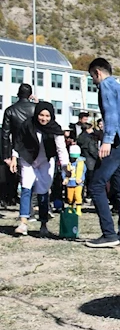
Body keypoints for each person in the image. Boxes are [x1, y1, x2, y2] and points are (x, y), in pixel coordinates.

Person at [86, 57, 120, 248]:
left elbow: (111, 114)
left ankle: (108, 234)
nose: (93, 81)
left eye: (92, 77)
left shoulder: (106, 86)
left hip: (116, 143)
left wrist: (106, 140)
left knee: (96, 185)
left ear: (98, 73)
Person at [8, 101, 69, 237]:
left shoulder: (55, 129)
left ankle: (43, 224)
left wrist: (65, 165)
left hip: (46, 160)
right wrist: (14, 158)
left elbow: (61, 148)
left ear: (52, 116)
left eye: (47, 116)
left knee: (43, 192)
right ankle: (23, 223)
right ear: (37, 114)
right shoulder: (28, 124)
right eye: (41, 115)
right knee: (26, 187)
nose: (44, 119)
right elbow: (18, 142)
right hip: (28, 158)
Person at [76, 122, 99, 204]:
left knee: (81, 181)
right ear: (87, 129)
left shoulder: (79, 137)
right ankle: (91, 197)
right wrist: (98, 157)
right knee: (91, 181)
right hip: (91, 162)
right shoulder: (89, 138)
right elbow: (92, 150)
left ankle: (80, 197)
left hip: (81, 161)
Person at [64, 144, 86, 214]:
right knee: (70, 197)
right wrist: (64, 178)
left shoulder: (81, 163)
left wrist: (81, 179)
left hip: (78, 183)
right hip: (70, 183)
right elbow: (64, 171)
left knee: (78, 196)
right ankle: (70, 208)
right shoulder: (67, 163)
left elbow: (83, 171)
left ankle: (78, 209)